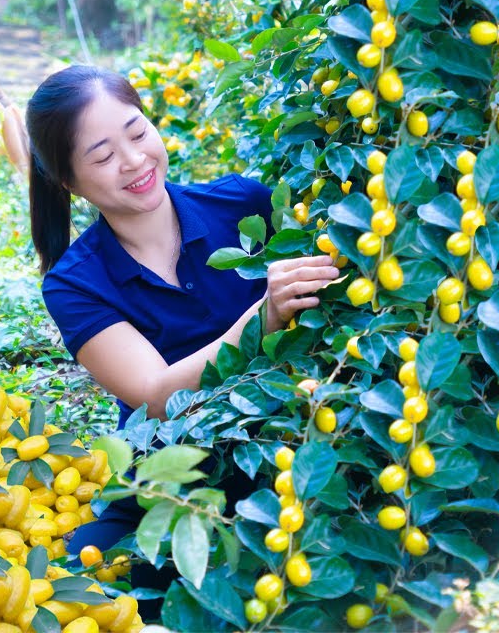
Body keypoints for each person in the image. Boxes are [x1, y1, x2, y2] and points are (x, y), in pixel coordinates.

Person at [26, 65, 339, 611]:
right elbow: (155, 395)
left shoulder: (244, 205)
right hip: (168, 468)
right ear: (69, 183)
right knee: (78, 592)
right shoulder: (75, 282)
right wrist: (260, 318)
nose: (134, 161)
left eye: (138, 132)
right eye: (102, 156)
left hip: (290, 438)